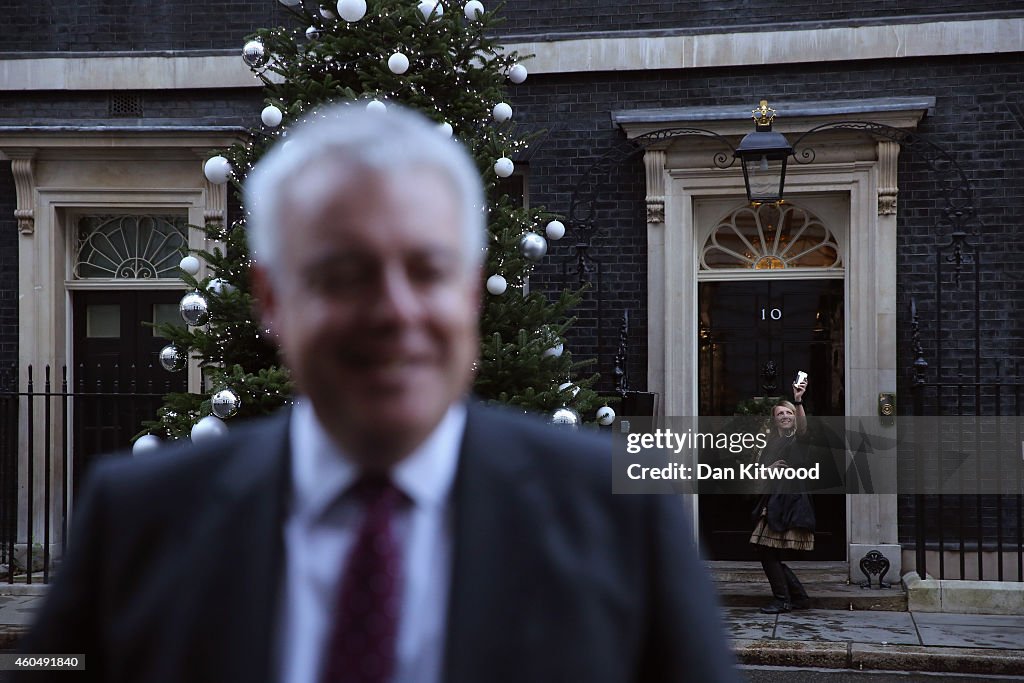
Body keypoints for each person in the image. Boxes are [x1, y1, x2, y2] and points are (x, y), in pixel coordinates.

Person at [16, 104, 739, 683]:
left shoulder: (619, 523)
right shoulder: (138, 516)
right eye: (345, 273)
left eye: (427, 269)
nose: (395, 310)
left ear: (471, 288)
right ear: (271, 297)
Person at [749, 376, 815, 614]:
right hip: (773, 498)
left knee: (767, 551)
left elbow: (804, 429)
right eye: (780, 414)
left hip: (788, 499)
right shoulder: (771, 442)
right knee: (768, 551)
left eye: (788, 413)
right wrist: (770, 469)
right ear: (775, 420)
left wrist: (797, 401)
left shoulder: (798, 439)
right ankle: (797, 597)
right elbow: (760, 471)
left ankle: (784, 599)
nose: (785, 416)